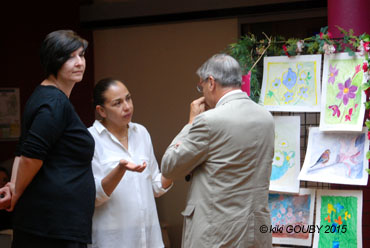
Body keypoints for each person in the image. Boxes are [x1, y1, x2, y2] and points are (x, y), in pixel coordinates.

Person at [161, 53, 275, 247]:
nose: (202, 91)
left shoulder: (208, 121)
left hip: (216, 234)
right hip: (255, 233)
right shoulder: (265, 117)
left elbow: (170, 166)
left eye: (201, 86)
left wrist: (190, 123)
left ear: (211, 82)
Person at [5, 30, 96, 248]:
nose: (79, 63)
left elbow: (22, 149)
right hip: (53, 226)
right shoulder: (54, 102)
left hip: (52, 223)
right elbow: (29, 155)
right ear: (53, 60)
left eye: (81, 55)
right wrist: (15, 192)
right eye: (69, 57)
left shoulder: (44, 95)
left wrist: (13, 185)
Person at [88, 78, 173, 248]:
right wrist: (120, 169)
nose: (127, 106)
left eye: (128, 98)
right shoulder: (90, 139)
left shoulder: (141, 132)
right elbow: (93, 196)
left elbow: (155, 185)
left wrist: (175, 169)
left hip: (148, 238)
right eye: (117, 103)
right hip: (113, 240)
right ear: (101, 110)